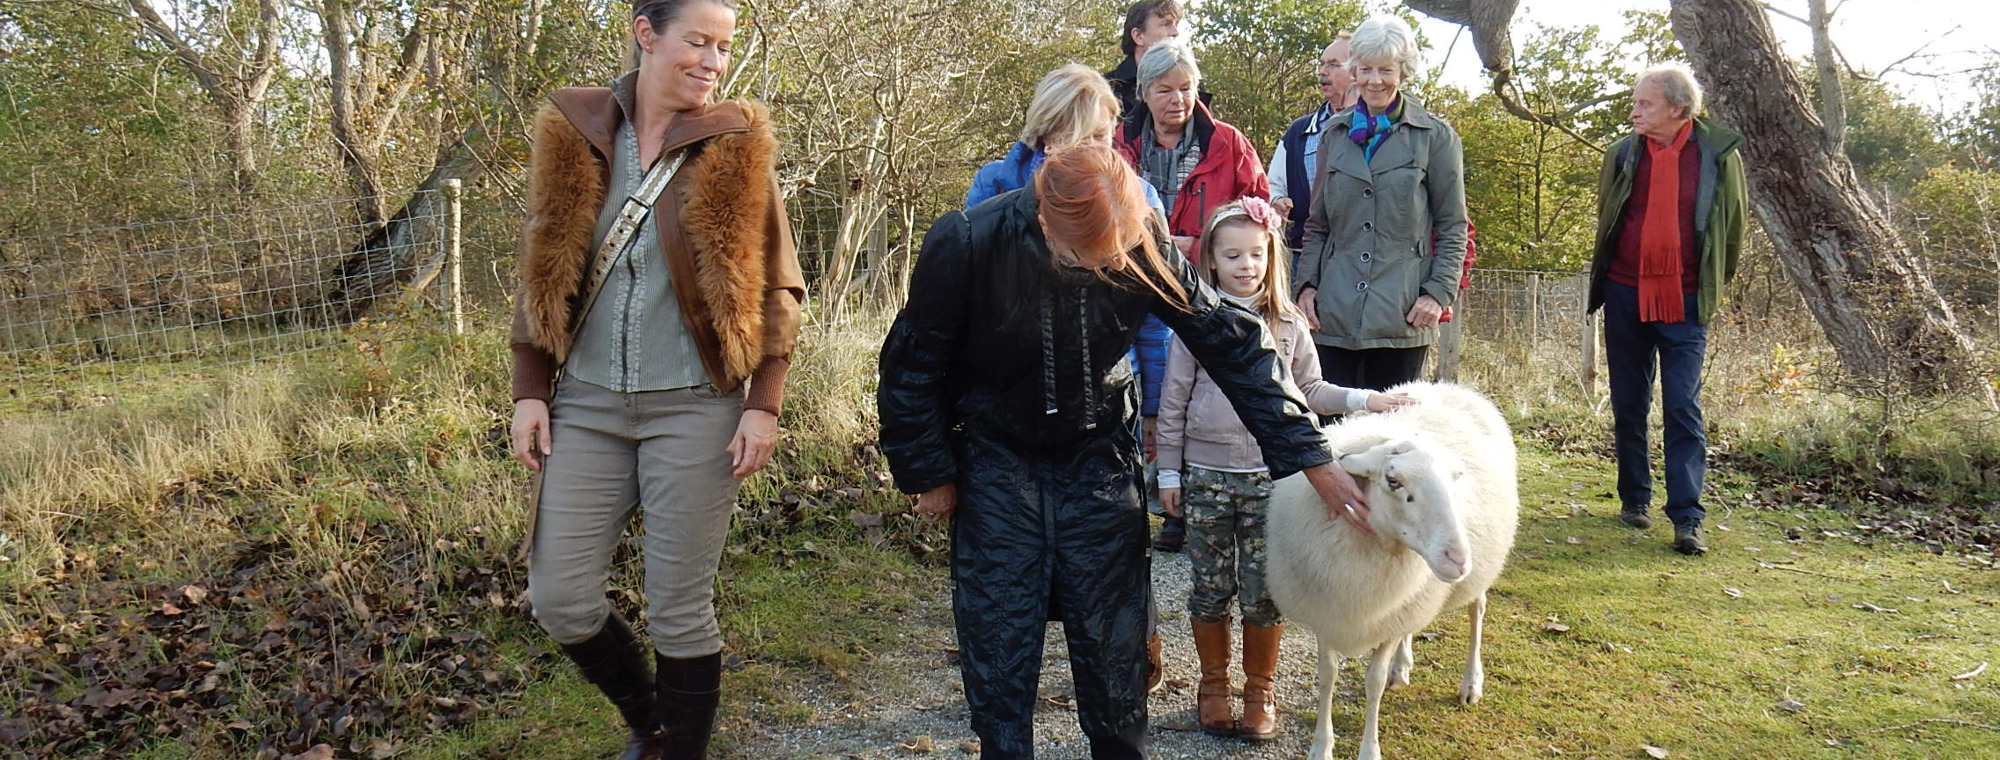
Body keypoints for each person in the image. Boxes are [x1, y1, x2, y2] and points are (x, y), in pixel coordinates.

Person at [877, 144, 1372, 760]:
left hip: (1097, 453)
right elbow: (912, 365)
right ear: (1043, 219)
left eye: (1112, 254)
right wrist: (929, 471)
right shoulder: (969, 241)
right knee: (998, 636)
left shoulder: (1142, 240)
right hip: (995, 453)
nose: (1103, 267)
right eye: (1085, 255)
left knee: (1115, 642)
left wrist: (1313, 458)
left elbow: (1234, 344)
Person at [506, 1, 805, 757]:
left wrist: (763, 404)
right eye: (696, 41)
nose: (713, 61)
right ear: (647, 34)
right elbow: (543, 267)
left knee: (678, 606)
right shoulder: (577, 131)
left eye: (724, 47)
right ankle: (649, 721)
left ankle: (677, 749)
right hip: (588, 404)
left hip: (697, 409)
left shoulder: (736, 144)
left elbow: (780, 288)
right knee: (560, 598)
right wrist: (530, 389)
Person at [1155, 198, 1413, 740]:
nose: (1245, 265)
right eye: (1232, 256)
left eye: (1255, 254)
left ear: (1271, 256)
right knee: (1209, 584)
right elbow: (1173, 403)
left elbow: (1311, 392)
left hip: (1274, 483)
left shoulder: (1290, 323)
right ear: (1212, 263)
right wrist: (1170, 475)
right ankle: (1213, 686)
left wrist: (1368, 401)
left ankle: (1259, 689)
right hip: (1205, 476)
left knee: (1263, 588)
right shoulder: (1195, 325)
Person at [962, 62, 1173, 693]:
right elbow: (971, 306)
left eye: (1111, 136)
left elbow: (1155, 324)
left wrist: (1156, 407)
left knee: (1116, 530)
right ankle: (1005, 655)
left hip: (1107, 399)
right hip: (1012, 404)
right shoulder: (993, 187)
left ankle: (1138, 639)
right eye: (1094, 137)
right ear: (1052, 134)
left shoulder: (1140, 197)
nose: (1108, 150)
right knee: (1013, 545)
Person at [1114, 38, 1270, 552]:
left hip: (1206, 286)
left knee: (1206, 391)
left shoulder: (1227, 142)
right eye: (1164, 89)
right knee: (1151, 392)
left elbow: (1258, 209)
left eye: (1186, 88)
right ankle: (1143, 501)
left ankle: (1195, 508)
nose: (1177, 99)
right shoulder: (1119, 143)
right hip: (1133, 283)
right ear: (1144, 91)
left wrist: (1201, 245)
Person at [1586, 63, 1746, 556]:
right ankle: (1634, 499)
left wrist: (1711, 286)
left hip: (1687, 298)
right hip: (1624, 292)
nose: (1634, 111)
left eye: (1645, 104)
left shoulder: (1717, 155)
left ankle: (1687, 518)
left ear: (1677, 109)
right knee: (1629, 400)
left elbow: (1733, 224)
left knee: (1682, 405)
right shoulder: (1623, 152)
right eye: (1636, 102)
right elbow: (1608, 214)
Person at [1296, 15, 1468, 392]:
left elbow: (1453, 225)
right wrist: (1305, 287)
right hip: (1333, 316)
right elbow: (1318, 224)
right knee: (1333, 433)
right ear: (1354, 71)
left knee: (1390, 438)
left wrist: (1437, 293)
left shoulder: (1436, 138)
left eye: (1386, 69)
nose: (1375, 81)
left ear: (1403, 72)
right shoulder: (1334, 134)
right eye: (1366, 69)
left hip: (1402, 316)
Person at [1269, 35, 1353, 254]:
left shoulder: (1381, 129)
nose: (1323, 71)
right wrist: (1277, 201)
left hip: (1359, 259)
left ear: (1359, 71)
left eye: (1334, 65)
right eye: (1322, 64)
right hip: (1303, 257)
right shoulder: (1298, 132)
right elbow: (1272, 185)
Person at [1103, 1, 1187, 118]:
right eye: (1166, 24)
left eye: (1176, 24)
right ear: (1138, 36)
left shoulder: (1191, 86)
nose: (1175, 32)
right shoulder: (1105, 90)